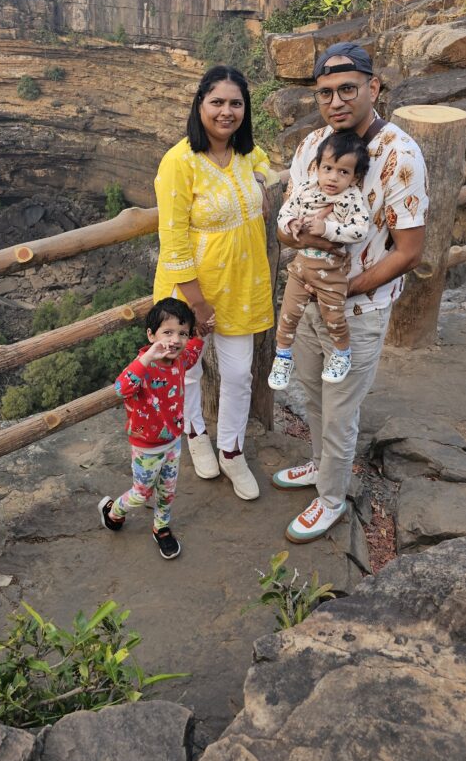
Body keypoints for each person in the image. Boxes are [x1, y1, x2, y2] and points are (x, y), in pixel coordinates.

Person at [272, 41, 428, 543]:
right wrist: (297, 235)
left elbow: (409, 252)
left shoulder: (400, 155)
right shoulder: (312, 146)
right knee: (313, 395)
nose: (335, 101)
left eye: (347, 89)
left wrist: (343, 291)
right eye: (325, 93)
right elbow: (284, 225)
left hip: (358, 311)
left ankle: (332, 498)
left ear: (372, 88)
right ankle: (322, 466)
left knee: (340, 412)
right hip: (308, 299)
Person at [153, 65, 274, 501]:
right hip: (192, 289)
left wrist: (264, 182)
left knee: (239, 374)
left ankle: (232, 450)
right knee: (187, 370)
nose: (227, 112)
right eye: (217, 102)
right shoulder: (179, 161)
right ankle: (195, 434)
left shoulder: (246, 152)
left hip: (241, 283)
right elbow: (173, 240)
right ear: (200, 105)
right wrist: (198, 305)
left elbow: (266, 168)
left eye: (235, 103)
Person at [98, 298, 203, 559]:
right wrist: (146, 358)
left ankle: (161, 528)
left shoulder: (180, 359)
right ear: (151, 335)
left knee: (167, 492)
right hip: (146, 447)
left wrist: (201, 333)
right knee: (141, 493)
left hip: (173, 442)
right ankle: (113, 511)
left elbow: (192, 353)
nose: (175, 340)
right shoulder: (144, 366)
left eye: (182, 333)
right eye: (167, 332)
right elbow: (121, 388)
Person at [268, 130, 370, 390]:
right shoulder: (306, 189)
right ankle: (283, 356)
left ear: (355, 177)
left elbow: (359, 231)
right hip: (301, 267)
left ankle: (342, 353)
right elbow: (285, 212)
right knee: (288, 314)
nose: (333, 177)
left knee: (333, 317)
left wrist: (327, 229)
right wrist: (291, 222)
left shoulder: (351, 199)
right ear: (317, 167)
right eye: (328, 168)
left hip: (331, 273)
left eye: (343, 172)